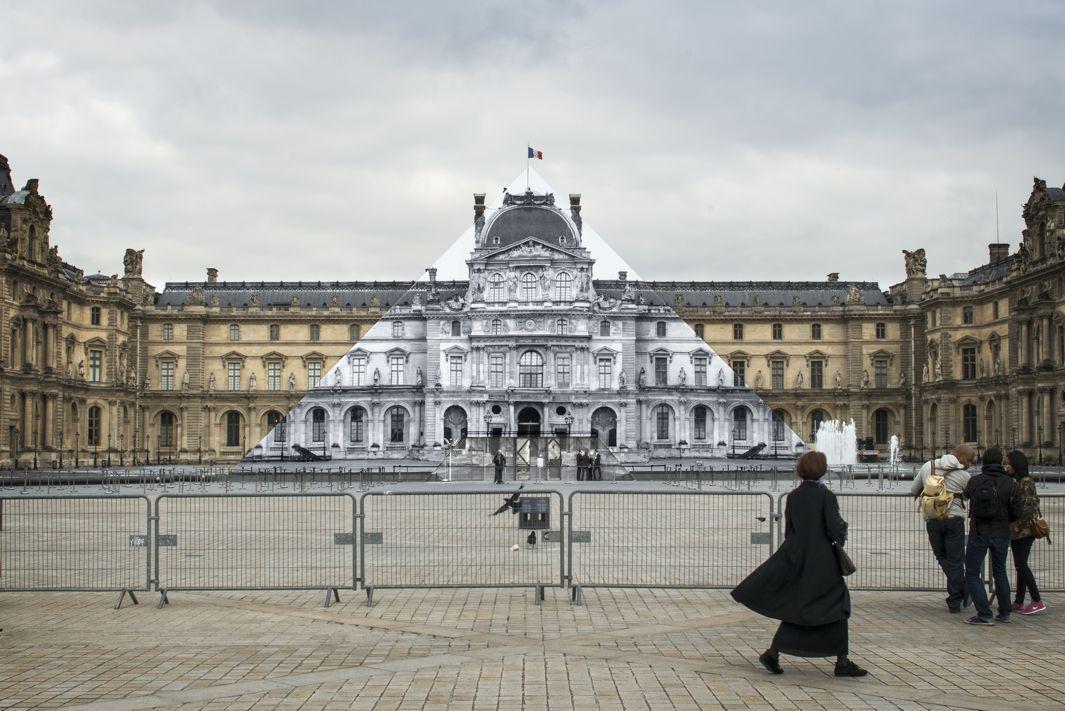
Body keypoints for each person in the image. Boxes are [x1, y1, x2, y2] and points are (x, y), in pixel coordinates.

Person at [731, 451, 867, 677]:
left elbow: (789, 531)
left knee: (802, 606)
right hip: (821, 558)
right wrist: (842, 532)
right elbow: (834, 528)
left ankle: (773, 653)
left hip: (797, 555)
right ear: (822, 470)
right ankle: (841, 662)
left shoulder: (793, 496)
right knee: (837, 603)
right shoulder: (827, 496)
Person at [910, 445, 973, 612]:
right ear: (959, 456)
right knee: (956, 560)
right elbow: (968, 496)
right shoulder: (964, 475)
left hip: (933, 519)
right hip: (954, 520)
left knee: (942, 557)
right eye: (969, 460)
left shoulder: (928, 466)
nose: (970, 464)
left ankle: (961, 591)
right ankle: (957, 597)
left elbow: (913, 490)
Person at [963, 447, 1021, 625]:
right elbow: (1016, 512)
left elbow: (966, 496)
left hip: (979, 531)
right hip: (1001, 532)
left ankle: (984, 613)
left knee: (972, 573)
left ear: (984, 462)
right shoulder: (1011, 483)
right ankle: (1004, 613)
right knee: (1000, 571)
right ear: (1001, 462)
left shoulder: (975, 481)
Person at [1006, 450, 1046, 615]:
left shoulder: (1026, 482)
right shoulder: (1017, 481)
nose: (1006, 466)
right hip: (1019, 531)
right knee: (1019, 565)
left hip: (1024, 531)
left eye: (1008, 463)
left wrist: (1018, 525)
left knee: (1021, 565)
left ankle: (1037, 600)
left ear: (1015, 464)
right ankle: (1019, 601)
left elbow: (1030, 507)